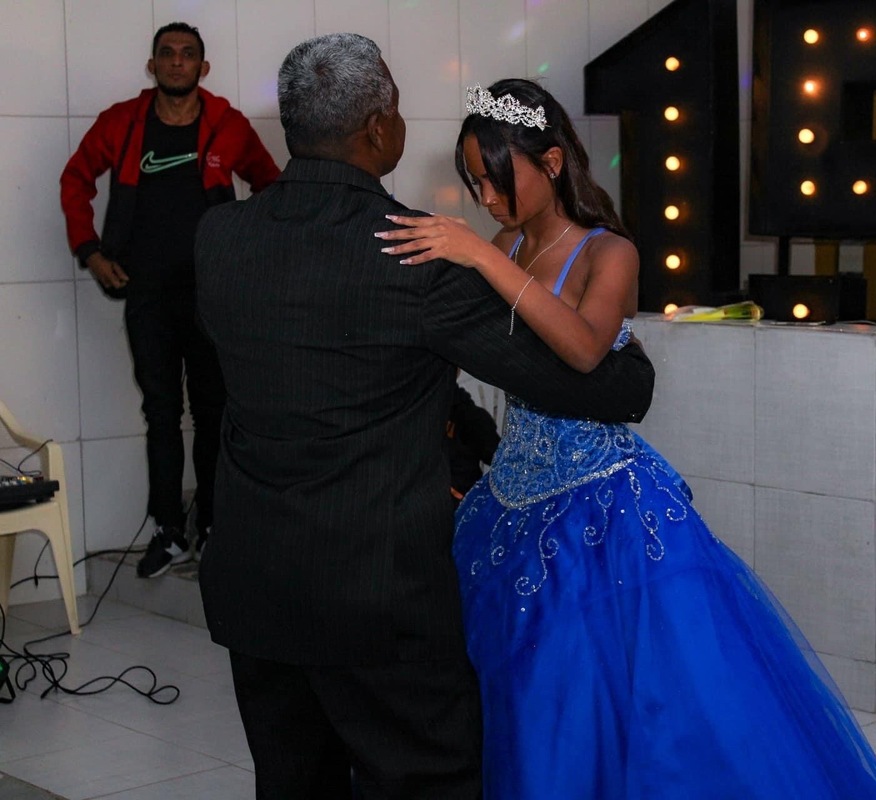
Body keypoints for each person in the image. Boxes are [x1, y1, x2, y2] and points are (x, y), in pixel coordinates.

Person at [377, 78, 876, 799]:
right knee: (522, 688)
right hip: (508, 496)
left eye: (498, 180)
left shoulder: (609, 252)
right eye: (476, 184)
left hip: (601, 503)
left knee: (632, 694)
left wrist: (481, 258)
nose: (488, 200)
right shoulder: (504, 244)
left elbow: (585, 350)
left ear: (553, 162)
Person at [192, 36, 655, 800]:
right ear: (379, 128)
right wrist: (630, 366)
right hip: (376, 590)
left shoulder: (219, 237)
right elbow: (599, 388)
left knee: (292, 781)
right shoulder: (414, 253)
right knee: (424, 778)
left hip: (255, 576)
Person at [59, 22, 280, 578]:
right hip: (147, 293)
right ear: (152, 65)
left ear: (203, 68)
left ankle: (214, 527)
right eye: (167, 53)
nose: (177, 62)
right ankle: (168, 531)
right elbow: (76, 178)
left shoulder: (228, 125)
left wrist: (249, 253)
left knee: (214, 411)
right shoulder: (122, 122)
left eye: (187, 55)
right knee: (160, 411)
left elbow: (270, 185)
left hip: (212, 295)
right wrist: (89, 251)